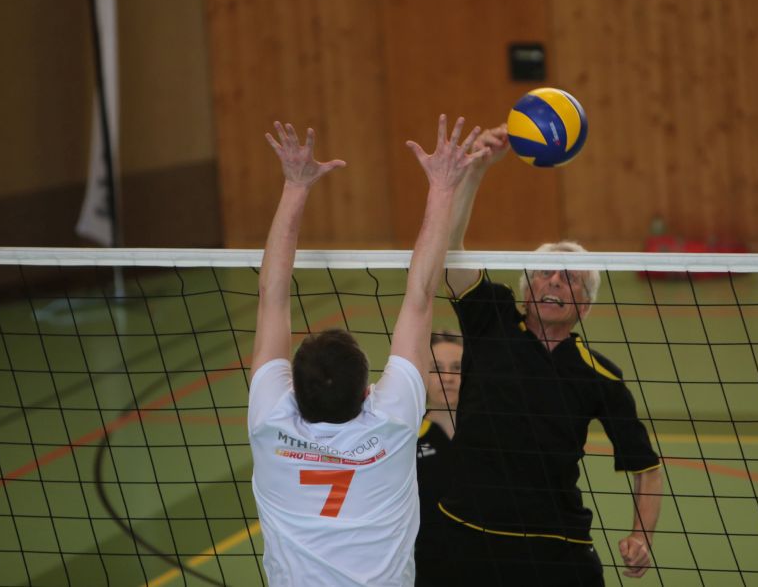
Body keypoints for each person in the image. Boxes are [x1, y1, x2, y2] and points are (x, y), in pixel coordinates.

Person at [247, 116, 487, 586]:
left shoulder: (271, 421)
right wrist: (442, 187)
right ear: (365, 393)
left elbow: (270, 296)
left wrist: (294, 186)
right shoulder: (391, 423)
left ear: (294, 390)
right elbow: (420, 296)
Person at [437, 122, 664, 586]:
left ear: (584, 306)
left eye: (570, 277)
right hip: (466, 531)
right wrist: (476, 172)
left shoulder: (600, 376)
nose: (556, 280)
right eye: (545, 272)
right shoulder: (491, 318)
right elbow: (451, 250)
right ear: (526, 288)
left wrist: (642, 536)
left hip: (556, 543)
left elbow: (647, 467)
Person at [414, 330, 463, 586]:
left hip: (486, 566)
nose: (448, 377)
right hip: (426, 569)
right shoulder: (408, 438)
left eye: (457, 368)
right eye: (437, 368)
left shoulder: (489, 435)